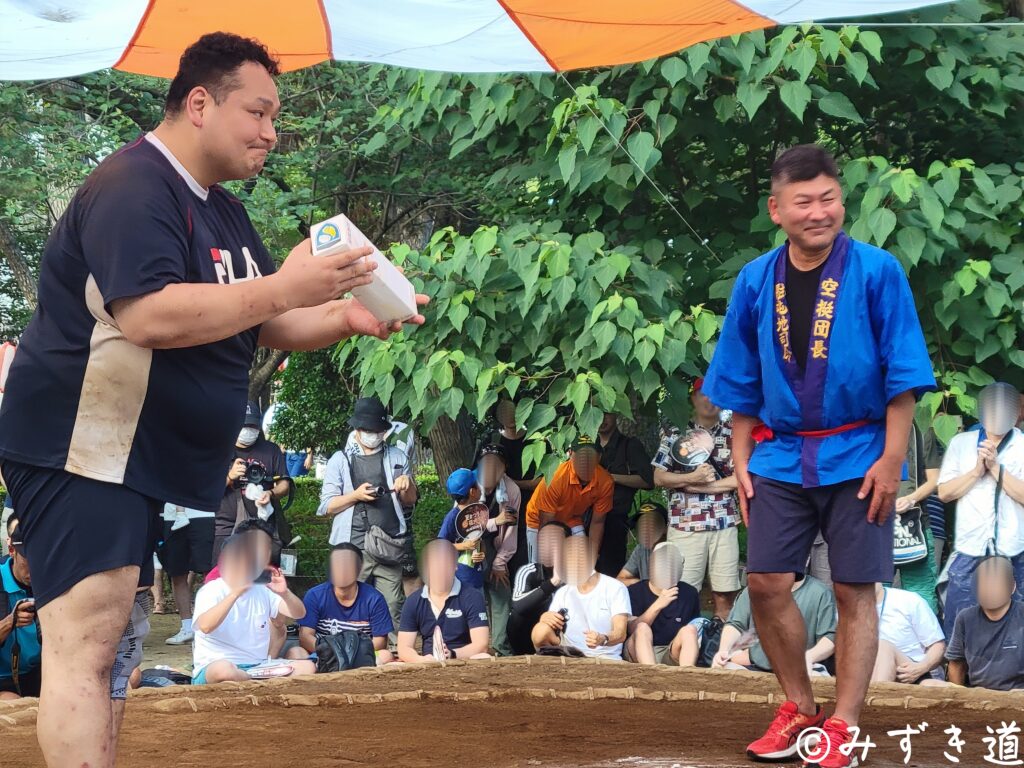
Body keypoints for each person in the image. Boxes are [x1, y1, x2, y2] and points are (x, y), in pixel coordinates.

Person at [0, 33, 426, 765]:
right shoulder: (133, 186)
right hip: (80, 446)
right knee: (90, 644)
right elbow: (148, 314)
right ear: (199, 103)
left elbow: (266, 319)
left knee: (120, 648)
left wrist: (343, 315)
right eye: (258, 112)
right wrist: (287, 288)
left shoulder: (224, 213)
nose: (271, 133)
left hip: (133, 460)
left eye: (276, 118)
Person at [702, 144, 935, 766]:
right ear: (776, 209)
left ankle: (845, 722)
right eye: (803, 202)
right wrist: (741, 459)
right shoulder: (755, 280)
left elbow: (904, 375)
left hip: (861, 453)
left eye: (828, 198)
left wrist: (892, 460)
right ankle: (801, 706)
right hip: (779, 457)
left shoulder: (878, 270)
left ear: (841, 201)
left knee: (857, 590)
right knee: (766, 580)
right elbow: (740, 385)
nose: (818, 212)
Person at [318, 397, 418, 637]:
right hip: (351, 544)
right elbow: (326, 506)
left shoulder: (397, 457)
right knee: (346, 599)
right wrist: (356, 496)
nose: (374, 435)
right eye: (368, 430)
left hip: (389, 542)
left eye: (378, 431)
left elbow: (410, 500)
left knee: (393, 602)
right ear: (357, 430)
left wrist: (407, 485)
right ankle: (345, 646)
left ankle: (393, 651)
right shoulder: (339, 460)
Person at [938, 381, 1024, 637]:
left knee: (1016, 628)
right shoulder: (960, 443)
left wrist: (996, 469)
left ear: (1017, 412)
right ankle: (957, 677)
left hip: (1014, 549)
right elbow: (944, 492)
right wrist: (977, 471)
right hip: (970, 548)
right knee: (959, 624)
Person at [653, 377, 740, 619]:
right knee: (681, 594)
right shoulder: (676, 431)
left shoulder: (734, 433)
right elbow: (659, 477)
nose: (708, 400)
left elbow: (740, 478)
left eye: (714, 394)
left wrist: (699, 486)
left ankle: (719, 650)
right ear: (692, 397)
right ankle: (682, 650)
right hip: (685, 525)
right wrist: (693, 476)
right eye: (703, 393)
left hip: (724, 524)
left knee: (725, 594)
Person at [192, 530, 313, 684]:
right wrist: (235, 594)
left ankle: (254, 679)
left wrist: (285, 593)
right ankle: (256, 681)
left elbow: (299, 613)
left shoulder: (263, 589)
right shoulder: (212, 589)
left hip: (257, 666)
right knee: (224, 671)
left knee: (307, 668)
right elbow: (205, 626)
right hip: (215, 667)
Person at [286, 543, 394, 665]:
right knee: (295, 652)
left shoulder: (374, 599)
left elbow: (380, 641)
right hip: (322, 655)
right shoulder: (314, 595)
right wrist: (331, 652)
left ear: (359, 568)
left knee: (386, 656)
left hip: (360, 657)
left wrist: (350, 654)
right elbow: (305, 637)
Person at [713, 574, 836, 679]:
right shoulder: (755, 587)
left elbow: (831, 636)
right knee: (720, 672)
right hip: (754, 667)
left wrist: (809, 657)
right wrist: (724, 650)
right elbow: (736, 624)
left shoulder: (820, 592)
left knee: (818, 681)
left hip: (804, 669)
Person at [531, 536, 630, 660]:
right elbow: (551, 624)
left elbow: (620, 633)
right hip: (569, 652)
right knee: (539, 631)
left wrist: (602, 638)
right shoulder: (563, 592)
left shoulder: (615, 587)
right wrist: (545, 618)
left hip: (604, 656)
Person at [216, 401, 291, 559]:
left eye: (253, 426)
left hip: (262, 524)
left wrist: (270, 493)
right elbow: (205, 489)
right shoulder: (218, 449)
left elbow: (285, 484)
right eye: (245, 426)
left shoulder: (271, 450)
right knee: (223, 575)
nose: (249, 430)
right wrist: (230, 476)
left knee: (262, 577)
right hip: (225, 526)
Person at [397, 539, 490, 662]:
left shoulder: (473, 596)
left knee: (484, 657)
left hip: (464, 661)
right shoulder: (413, 601)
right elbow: (404, 648)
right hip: (427, 664)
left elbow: (481, 645)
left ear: (455, 566)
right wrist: (422, 660)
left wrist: (452, 654)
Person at [524, 436, 614, 563]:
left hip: (571, 518)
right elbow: (547, 524)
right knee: (540, 564)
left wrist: (592, 555)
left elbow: (597, 523)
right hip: (540, 520)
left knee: (583, 559)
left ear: (599, 457)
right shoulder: (556, 477)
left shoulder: (605, 482)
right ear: (571, 454)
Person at [946, 555, 1024, 691]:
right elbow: (956, 663)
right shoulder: (965, 618)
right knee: (931, 684)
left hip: (1019, 694)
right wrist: (959, 698)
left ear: (1012, 587)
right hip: (979, 695)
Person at [475, 443, 520, 656]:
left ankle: (500, 646)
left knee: (501, 590)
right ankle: (475, 645)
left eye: (497, 465)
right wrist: (495, 521)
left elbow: (511, 530)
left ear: (504, 468)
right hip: (468, 546)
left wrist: (500, 562)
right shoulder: (469, 485)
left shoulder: (511, 490)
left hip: (496, 546)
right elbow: (464, 525)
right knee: (472, 594)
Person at [624, 543, 702, 666]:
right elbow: (631, 628)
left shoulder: (689, 593)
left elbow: (695, 627)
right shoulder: (634, 591)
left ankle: (687, 675)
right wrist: (658, 604)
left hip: (670, 651)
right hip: (638, 648)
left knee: (690, 630)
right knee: (642, 628)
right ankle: (652, 674)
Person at [596, 412, 653, 576]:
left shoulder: (630, 445)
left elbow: (647, 480)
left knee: (611, 575)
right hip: (585, 519)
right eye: (598, 413)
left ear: (615, 415)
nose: (602, 419)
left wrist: (611, 478)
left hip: (615, 519)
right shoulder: (587, 445)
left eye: (606, 414)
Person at [159, 500, 217, 645]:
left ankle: (213, 626)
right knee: (177, 572)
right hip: (170, 516)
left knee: (209, 573)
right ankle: (187, 628)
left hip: (204, 513)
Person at [509, 521, 569, 654]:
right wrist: (553, 583)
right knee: (516, 616)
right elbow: (518, 605)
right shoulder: (529, 571)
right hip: (528, 637)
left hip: (562, 636)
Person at [0, 515, 41, 699]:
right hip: (3, 678)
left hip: (41, 672)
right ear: (11, 550)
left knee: (131, 675)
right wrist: (10, 622)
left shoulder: (54, 580)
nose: (36, 567)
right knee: (12, 703)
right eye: (28, 558)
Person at [871, 584, 945, 684]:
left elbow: (937, 646)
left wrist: (920, 668)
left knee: (882, 646)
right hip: (864, 674)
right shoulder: (845, 608)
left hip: (911, 672)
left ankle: (877, 694)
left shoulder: (908, 600)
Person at [437, 468, 487, 589]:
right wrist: (464, 546)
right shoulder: (452, 517)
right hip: (459, 580)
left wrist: (482, 553)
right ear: (472, 491)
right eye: (478, 485)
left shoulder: (478, 513)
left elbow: (480, 541)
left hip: (476, 577)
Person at [617, 502, 668, 586]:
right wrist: (640, 584)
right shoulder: (641, 549)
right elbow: (620, 579)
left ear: (665, 528)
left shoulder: (675, 550)